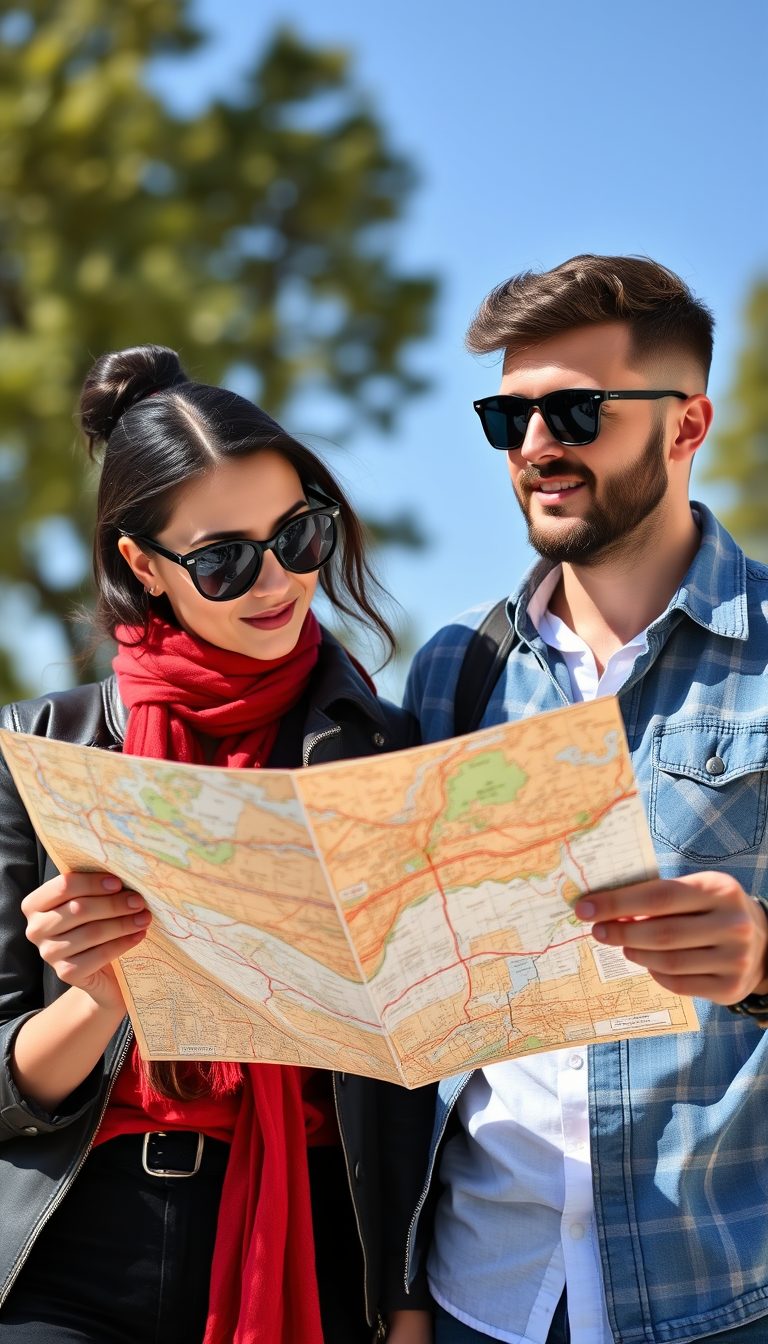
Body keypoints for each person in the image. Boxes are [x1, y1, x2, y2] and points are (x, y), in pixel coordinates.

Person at [0, 343, 433, 1343]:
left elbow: (415, 1072)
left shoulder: (384, 751)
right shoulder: (38, 749)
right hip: (75, 1249)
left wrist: (405, 1306)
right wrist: (102, 997)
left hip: (313, 1251)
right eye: (224, 558)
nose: (277, 580)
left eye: (299, 533)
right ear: (142, 566)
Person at [396, 255, 768, 1344]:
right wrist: (404, 1297)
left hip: (718, 1298)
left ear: (686, 424)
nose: (535, 450)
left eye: (572, 412)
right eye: (507, 420)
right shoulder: (454, 669)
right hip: (480, 1298)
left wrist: (760, 964)